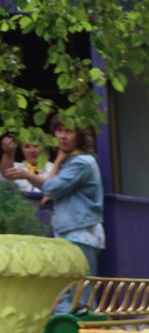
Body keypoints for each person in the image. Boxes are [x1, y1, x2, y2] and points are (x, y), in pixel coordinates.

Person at [3, 120, 106, 283]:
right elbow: (47, 196)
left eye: (68, 131)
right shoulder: (70, 161)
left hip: (81, 233)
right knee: (69, 293)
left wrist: (27, 175)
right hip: (71, 232)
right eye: (59, 130)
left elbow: (52, 188)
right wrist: (59, 160)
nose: (62, 136)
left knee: (77, 294)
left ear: (78, 136)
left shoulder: (82, 162)